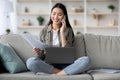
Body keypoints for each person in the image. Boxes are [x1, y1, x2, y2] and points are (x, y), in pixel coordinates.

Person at [26, 3, 91, 75]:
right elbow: (43, 56)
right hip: (49, 65)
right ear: (50, 14)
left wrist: (62, 32)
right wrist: (39, 53)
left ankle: (58, 73)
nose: (56, 17)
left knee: (86, 60)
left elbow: (67, 53)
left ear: (64, 17)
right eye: (53, 14)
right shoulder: (44, 31)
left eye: (59, 15)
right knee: (31, 62)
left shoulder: (68, 30)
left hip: (66, 65)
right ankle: (62, 73)